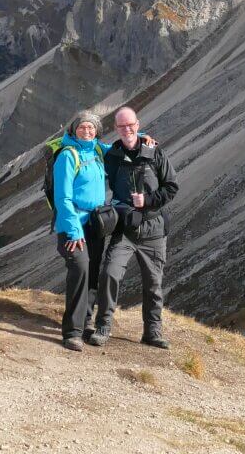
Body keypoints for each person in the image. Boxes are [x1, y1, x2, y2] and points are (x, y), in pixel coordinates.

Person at [88, 106, 179, 349]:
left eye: (131, 125)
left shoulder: (155, 153)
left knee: (153, 284)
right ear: (116, 130)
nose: (127, 130)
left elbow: (171, 187)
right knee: (109, 273)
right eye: (121, 127)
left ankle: (152, 332)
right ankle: (103, 326)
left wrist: (147, 201)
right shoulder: (111, 156)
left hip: (154, 230)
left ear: (138, 125)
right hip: (125, 230)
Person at [52, 110, 108, 352]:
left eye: (91, 127)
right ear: (73, 130)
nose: (87, 131)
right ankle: (72, 331)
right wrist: (74, 231)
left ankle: (86, 322)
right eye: (82, 127)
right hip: (72, 224)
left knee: (93, 271)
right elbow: (62, 198)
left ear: (96, 131)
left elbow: (126, 146)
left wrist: (144, 137)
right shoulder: (68, 155)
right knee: (80, 267)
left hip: (95, 223)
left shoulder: (96, 150)